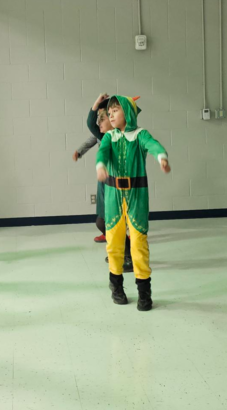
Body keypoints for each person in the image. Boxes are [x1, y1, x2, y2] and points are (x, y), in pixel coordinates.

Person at [96, 95, 170, 311]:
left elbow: (153, 145)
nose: (110, 115)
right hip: (113, 196)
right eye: (109, 113)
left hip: (137, 196)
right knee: (114, 244)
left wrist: (161, 157)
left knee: (138, 244)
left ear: (127, 112)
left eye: (115, 111)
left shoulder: (140, 135)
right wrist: (100, 165)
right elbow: (102, 152)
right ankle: (116, 288)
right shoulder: (110, 137)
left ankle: (144, 293)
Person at [73, 93, 134, 272]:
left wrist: (97, 104)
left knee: (111, 223)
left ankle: (127, 256)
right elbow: (94, 131)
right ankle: (121, 251)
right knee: (103, 223)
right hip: (104, 183)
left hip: (116, 185)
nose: (99, 124)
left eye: (104, 117)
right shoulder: (105, 135)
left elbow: (91, 124)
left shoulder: (119, 135)